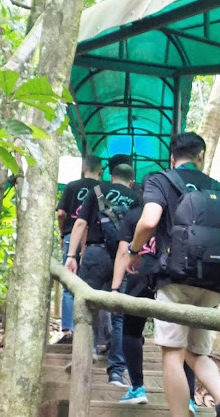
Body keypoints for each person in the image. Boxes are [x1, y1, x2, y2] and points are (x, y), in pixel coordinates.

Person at [127, 133, 220, 417]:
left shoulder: (160, 180)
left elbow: (150, 220)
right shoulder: (217, 187)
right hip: (213, 281)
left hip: (175, 279)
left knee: (173, 355)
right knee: (198, 353)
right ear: (201, 156)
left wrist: (134, 250)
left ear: (172, 157)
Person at [110, 174, 197, 414]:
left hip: (138, 276)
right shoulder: (172, 212)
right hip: (166, 276)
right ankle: (189, 397)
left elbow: (122, 253)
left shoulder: (131, 217)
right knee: (181, 336)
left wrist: (116, 289)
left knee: (132, 329)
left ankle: (138, 388)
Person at [65, 163, 141, 387]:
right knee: (119, 316)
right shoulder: (137, 198)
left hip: (96, 253)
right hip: (125, 257)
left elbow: (80, 223)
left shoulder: (97, 191)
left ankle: (85, 356)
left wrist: (72, 255)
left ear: (111, 176)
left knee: (88, 306)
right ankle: (117, 372)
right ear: (132, 181)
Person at [56, 155, 102, 344]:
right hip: (93, 240)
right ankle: (91, 333)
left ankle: (68, 332)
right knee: (91, 284)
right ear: (100, 171)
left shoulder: (71, 186)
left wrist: (62, 233)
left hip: (70, 238)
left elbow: (60, 213)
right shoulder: (100, 190)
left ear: (83, 169)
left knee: (69, 285)